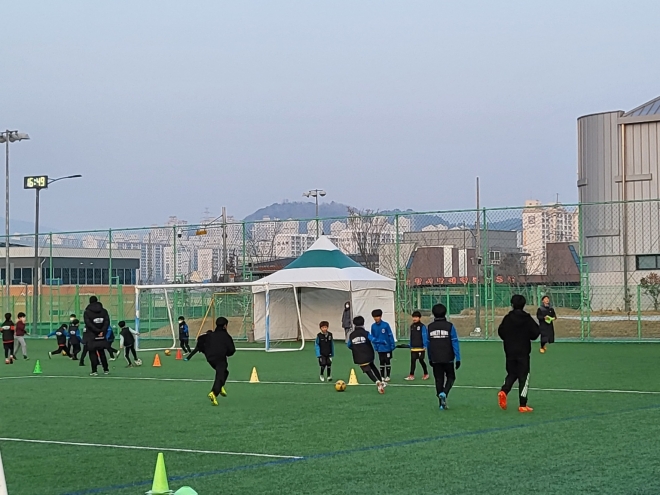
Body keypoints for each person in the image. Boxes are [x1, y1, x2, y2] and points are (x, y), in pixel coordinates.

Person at [497, 294, 540, 413]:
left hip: (509, 351)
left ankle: (504, 391)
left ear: (512, 304)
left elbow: (501, 332)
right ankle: (522, 404)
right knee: (524, 377)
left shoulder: (507, 318)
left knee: (512, 373)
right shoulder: (526, 318)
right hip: (523, 352)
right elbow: (535, 333)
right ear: (524, 305)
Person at [424, 304, 461, 410]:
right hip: (448, 357)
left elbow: (428, 343)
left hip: (435, 357)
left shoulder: (430, 327)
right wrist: (458, 358)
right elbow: (454, 341)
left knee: (438, 379)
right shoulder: (449, 326)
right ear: (445, 313)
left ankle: (441, 403)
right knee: (451, 377)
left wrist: (430, 358)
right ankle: (444, 393)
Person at [347, 316, 385, 394]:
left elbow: (349, 345)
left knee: (367, 369)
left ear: (354, 324)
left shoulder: (351, 335)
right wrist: (382, 341)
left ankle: (377, 382)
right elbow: (373, 339)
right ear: (363, 323)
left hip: (359, 355)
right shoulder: (366, 333)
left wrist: (355, 348)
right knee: (372, 366)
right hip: (369, 353)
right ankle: (381, 381)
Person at [204, 317, 236, 406]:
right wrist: (226, 353)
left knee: (224, 372)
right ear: (225, 326)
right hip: (220, 359)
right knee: (221, 374)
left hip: (210, 359)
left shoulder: (210, 335)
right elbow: (231, 350)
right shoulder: (226, 337)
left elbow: (203, 344)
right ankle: (214, 393)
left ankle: (220, 386)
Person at [84, 296, 111, 376]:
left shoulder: (87, 312)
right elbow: (107, 322)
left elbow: (88, 324)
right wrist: (102, 331)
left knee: (92, 353)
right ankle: (106, 369)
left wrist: (97, 331)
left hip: (92, 335)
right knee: (102, 352)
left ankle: (94, 370)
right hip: (102, 335)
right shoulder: (104, 311)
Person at [370, 309, 395, 382]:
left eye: (377, 316)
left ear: (380, 316)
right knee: (381, 361)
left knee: (387, 361)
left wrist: (392, 344)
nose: (376, 318)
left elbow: (390, 335)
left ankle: (388, 376)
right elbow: (373, 337)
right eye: (374, 317)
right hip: (379, 348)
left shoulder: (385, 325)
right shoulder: (373, 326)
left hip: (387, 347)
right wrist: (375, 346)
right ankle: (382, 376)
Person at [405, 311, 429, 381]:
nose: (414, 319)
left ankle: (426, 373)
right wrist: (410, 344)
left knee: (421, 360)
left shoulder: (422, 326)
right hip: (413, 348)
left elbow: (424, 336)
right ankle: (411, 375)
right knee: (413, 361)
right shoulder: (412, 326)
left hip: (421, 347)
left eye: (416, 317)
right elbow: (411, 336)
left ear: (419, 318)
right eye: (413, 317)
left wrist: (425, 345)